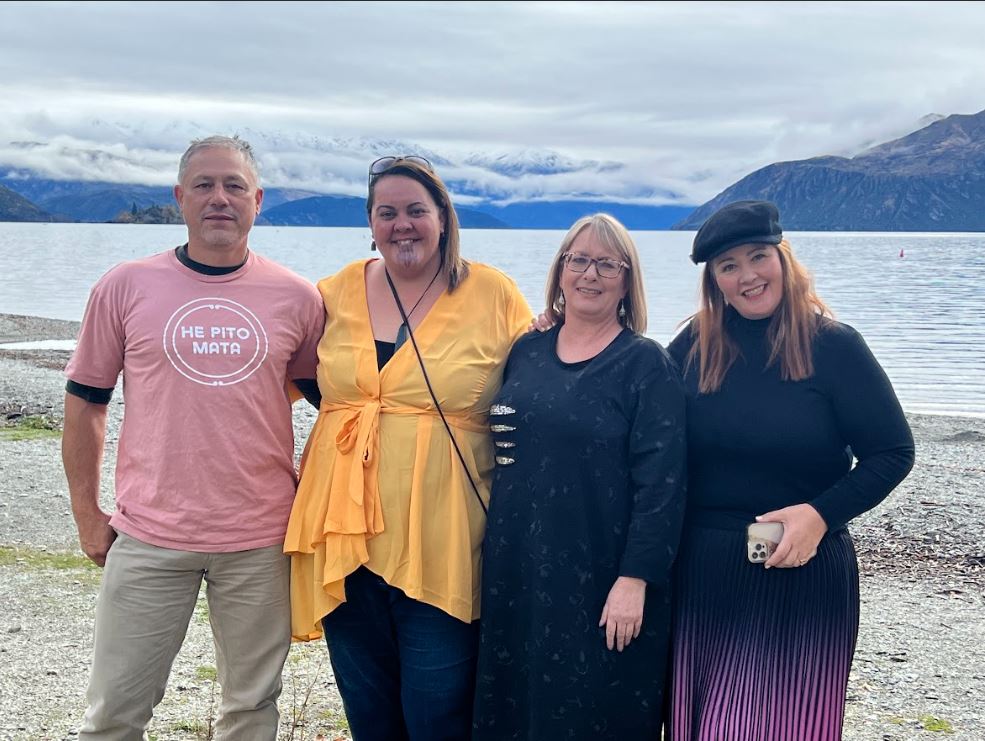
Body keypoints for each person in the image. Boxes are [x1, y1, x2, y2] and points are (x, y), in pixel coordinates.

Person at [62, 135, 325, 739]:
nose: (219, 199)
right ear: (179, 198)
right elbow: (85, 404)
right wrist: (86, 513)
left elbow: (341, 406)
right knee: (114, 712)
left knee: (251, 709)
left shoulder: (297, 297)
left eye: (234, 186)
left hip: (261, 540)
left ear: (258, 201)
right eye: (204, 185)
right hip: (151, 534)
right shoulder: (126, 285)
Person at [283, 156, 532, 740]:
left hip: (441, 537)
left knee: (439, 714)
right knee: (369, 716)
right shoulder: (333, 292)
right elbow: (274, 385)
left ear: (443, 217)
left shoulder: (492, 292)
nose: (403, 225)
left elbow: (542, 391)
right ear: (370, 222)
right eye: (387, 212)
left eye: (416, 210)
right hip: (344, 535)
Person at [665, 200, 915, 740]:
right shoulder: (692, 345)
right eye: (728, 266)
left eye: (758, 257)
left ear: (783, 258)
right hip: (703, 570)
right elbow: (637, 422)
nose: (747, 276)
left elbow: (893, 452)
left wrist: (822, 515)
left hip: (797, 565)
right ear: (714, 280)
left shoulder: (833, 346)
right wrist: (557, 329)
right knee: (700, 726)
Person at [472, 214, 687, 740]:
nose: (590, 274)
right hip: (518, 566)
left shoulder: (646, 365)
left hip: (602, 572)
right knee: (515, 704)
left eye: (607, 264)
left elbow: (663, 484)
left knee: (596, 706)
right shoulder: (526, 350)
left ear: (627, 279)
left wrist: (635, 580)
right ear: (561, 270)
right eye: (579, 260)